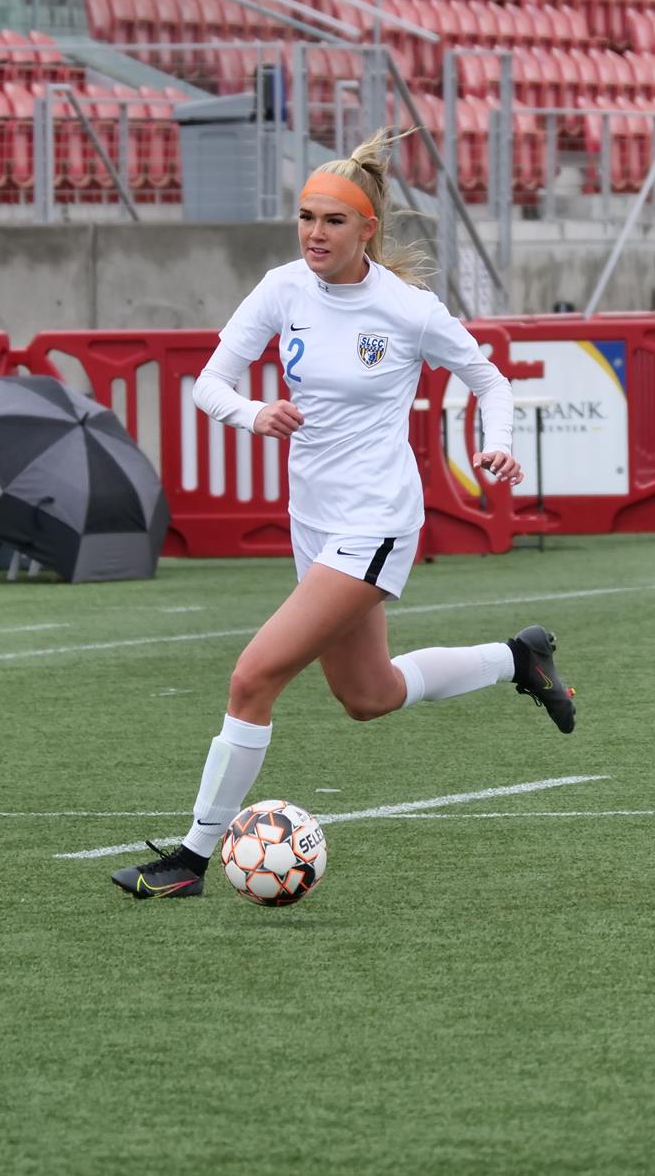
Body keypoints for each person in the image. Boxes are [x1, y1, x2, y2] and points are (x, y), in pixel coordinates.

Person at [109, 131, 575, 901]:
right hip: (314, 522)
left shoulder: (407, 309)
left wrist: (497, 445)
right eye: (305, 217)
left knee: (252, 677)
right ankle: (517, 657)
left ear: (368, 231)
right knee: (369, 696)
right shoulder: (281, 287)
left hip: (377, 520)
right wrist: (254, 413)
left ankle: (189, 861)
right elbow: (209, 385)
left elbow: (489, 380)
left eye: (332, 221)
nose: (314, 234)